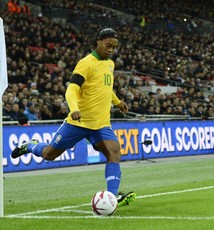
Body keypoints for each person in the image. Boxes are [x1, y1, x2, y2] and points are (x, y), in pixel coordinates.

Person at [11, 28, 136, 207]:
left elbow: (105, 88)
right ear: (98, 41)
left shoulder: (110, 64)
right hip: (78, 121)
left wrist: (117, 102)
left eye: (114, 47)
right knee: (49, 154)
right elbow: (72, 88)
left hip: (100, 123)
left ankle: (110, 197)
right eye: (108, 45)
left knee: (114, 151)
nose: (110, 50)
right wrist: (74, 108)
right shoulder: (86, 63)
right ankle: (31, 146)